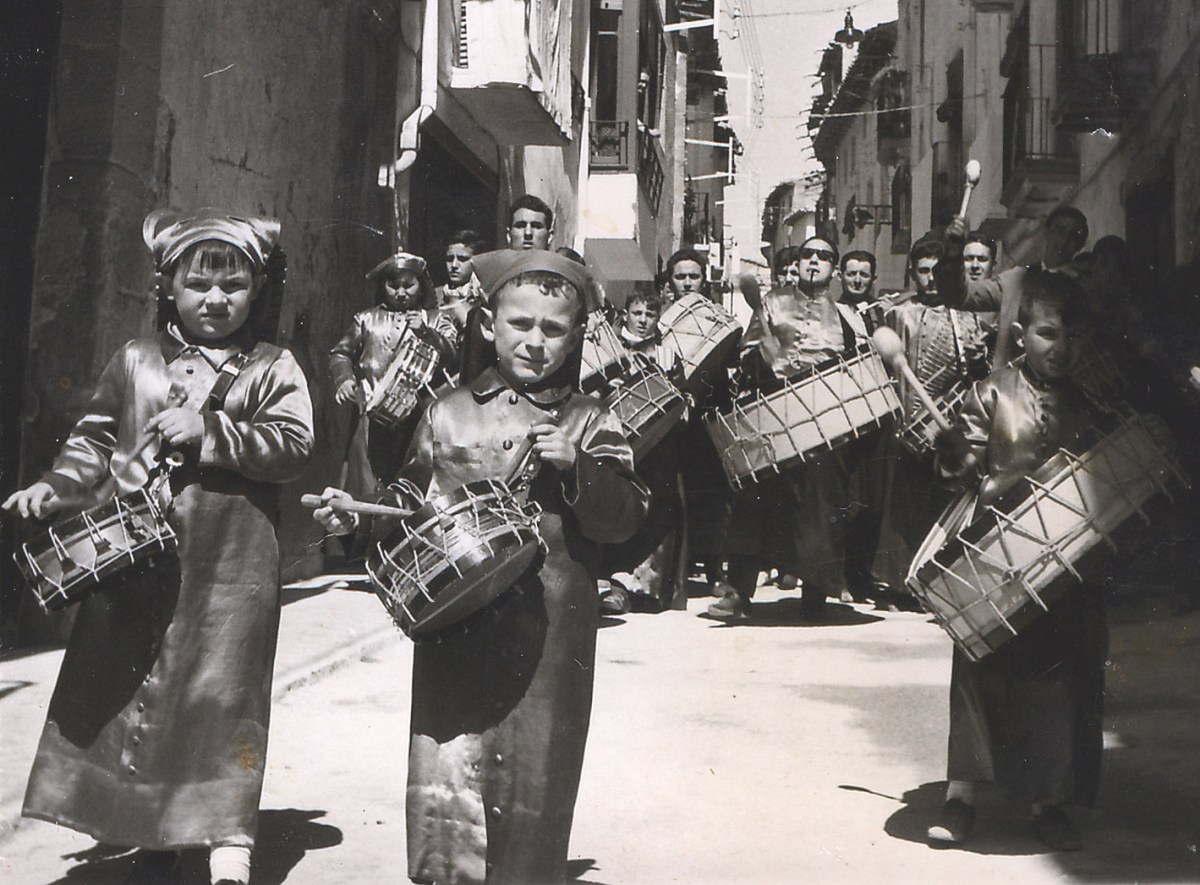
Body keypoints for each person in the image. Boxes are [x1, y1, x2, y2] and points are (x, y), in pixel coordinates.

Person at [313, 249, 650, 884]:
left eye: (553, 330)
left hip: (551, 630)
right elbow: (409, 497)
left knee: (537, 771)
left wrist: (578, 466)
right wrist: (355, 515)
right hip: (456, 622)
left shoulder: (589, 418)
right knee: (449, 765)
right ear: (489, 325)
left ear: (576, 336)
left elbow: (627, 518)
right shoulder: (445, 409)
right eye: (520, 324)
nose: (535, 343)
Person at [2, 209, 315, 885]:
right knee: (140, 687)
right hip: (139, 561)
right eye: (197, 284)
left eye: (233, 285)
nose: (215, 300)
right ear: (167, 287)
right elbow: (91, 441)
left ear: (257, 290)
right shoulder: (136, 361)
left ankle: (229, 844)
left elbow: (294, 445)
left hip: (232, 564)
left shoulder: (272, 366)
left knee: (223, 695)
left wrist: (213, 433)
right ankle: (152, 827)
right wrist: (56, 488)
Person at [927, 270, 1106, 851]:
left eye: (1074, 335)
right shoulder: (991, 392)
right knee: (981, 677)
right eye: (1050, 333)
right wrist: (953, 455)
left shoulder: (1088, 403)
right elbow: (957, 474)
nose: (1063, 348)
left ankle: (1047, 801)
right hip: (995, 562)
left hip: (1066, 565)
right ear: (1023, 333)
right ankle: (960, 798)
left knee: (1055, 683)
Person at [710, 236, 876, 619]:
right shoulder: (770, 304)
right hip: (774, 417)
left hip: (826, 422)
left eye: (823, 257)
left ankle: (815, 593)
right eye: (807, 255)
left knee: (822, 503)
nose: (814, 262)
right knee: (753, 496)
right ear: (797, 263)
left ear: (834, 269)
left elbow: (862, 367)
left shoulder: (849, 317)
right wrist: (770, 361)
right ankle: (738, 591)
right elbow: (747, 351)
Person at [330, 251, 457, 498]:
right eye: (393, 285)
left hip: (418, 420)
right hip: (370, 419)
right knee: (364, 485)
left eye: (408, 286)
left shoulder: (436, 319)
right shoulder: (366, 319)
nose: (401, 293)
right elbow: (340, 353)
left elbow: (452, 354)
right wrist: (344, 379)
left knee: (410, 487)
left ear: (421, 286)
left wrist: (427, 333)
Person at [601, 286, 688, 615]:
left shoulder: (666, 352)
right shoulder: (609, 346)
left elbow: (679, 393)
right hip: (615, 441)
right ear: (625, 314)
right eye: (637, 313)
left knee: (655, 509)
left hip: (656, 445)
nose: (642, 320)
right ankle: (612, 584)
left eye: (650, 315)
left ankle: (644, 587)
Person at [936, 206, 1090, 369]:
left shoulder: (1085, 289)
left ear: (1080, 245)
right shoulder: (1015, 280)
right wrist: (953, 253)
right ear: (1046, 232)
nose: (1064, 241)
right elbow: (959, 296)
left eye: (1073, 236)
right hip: (1010, 389)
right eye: (1059, 230)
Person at [459, 195, 556, 385]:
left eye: (536, 226)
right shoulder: (488, 288)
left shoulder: (564, 286)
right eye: (520, 225)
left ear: (550, 235)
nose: (528, 233)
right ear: (509, 234)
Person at [436, 228, 488, 333]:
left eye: (462, 259)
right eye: (450, 259)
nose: (454, 265)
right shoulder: (435, 296)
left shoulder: (485, 296)